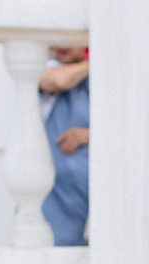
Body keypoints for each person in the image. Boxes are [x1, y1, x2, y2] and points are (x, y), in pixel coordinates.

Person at [40, 47, 90, 246]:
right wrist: (92, 62)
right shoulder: (48, 66)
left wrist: (86, 135)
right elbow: (58, 81)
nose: (60, 45)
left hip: (88, 195)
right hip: (55, 197)